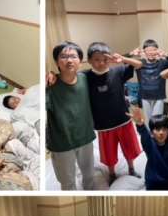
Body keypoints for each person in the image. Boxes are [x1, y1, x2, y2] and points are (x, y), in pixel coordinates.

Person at [85, 41, 143, 185]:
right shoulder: (85, 76)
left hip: (123, 119)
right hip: (103, 125)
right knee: (108, 154)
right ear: (89, 60)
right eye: (97, 59)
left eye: (105, 59)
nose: (101, 63)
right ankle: (112, 173)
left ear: (110, 59)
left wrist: (122, 59)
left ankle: (131, 168)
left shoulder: (118, 71)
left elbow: (139, 64)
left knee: (129, 147)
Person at [46, 41, 96, 190]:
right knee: (67, 182)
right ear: (57, 62)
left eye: (73, 56)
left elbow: (103, 69)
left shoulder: (85, 78)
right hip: (62, 142)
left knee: (89, 175)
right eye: (63, 57)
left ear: (80, 61)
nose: (69, 60)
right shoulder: (50, 85)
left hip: (85, 136)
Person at [131, 39, 168, 122]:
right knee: (148, 120)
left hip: (159, 97)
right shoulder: (139, 63)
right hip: (145, 97)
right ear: (144, 51)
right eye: (148, 50)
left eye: (154, 50)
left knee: (156, 120)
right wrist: (132, 54)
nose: (151, 52)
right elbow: (123, 61)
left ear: (157, 51)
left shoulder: (163, 63)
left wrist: (165, 54)